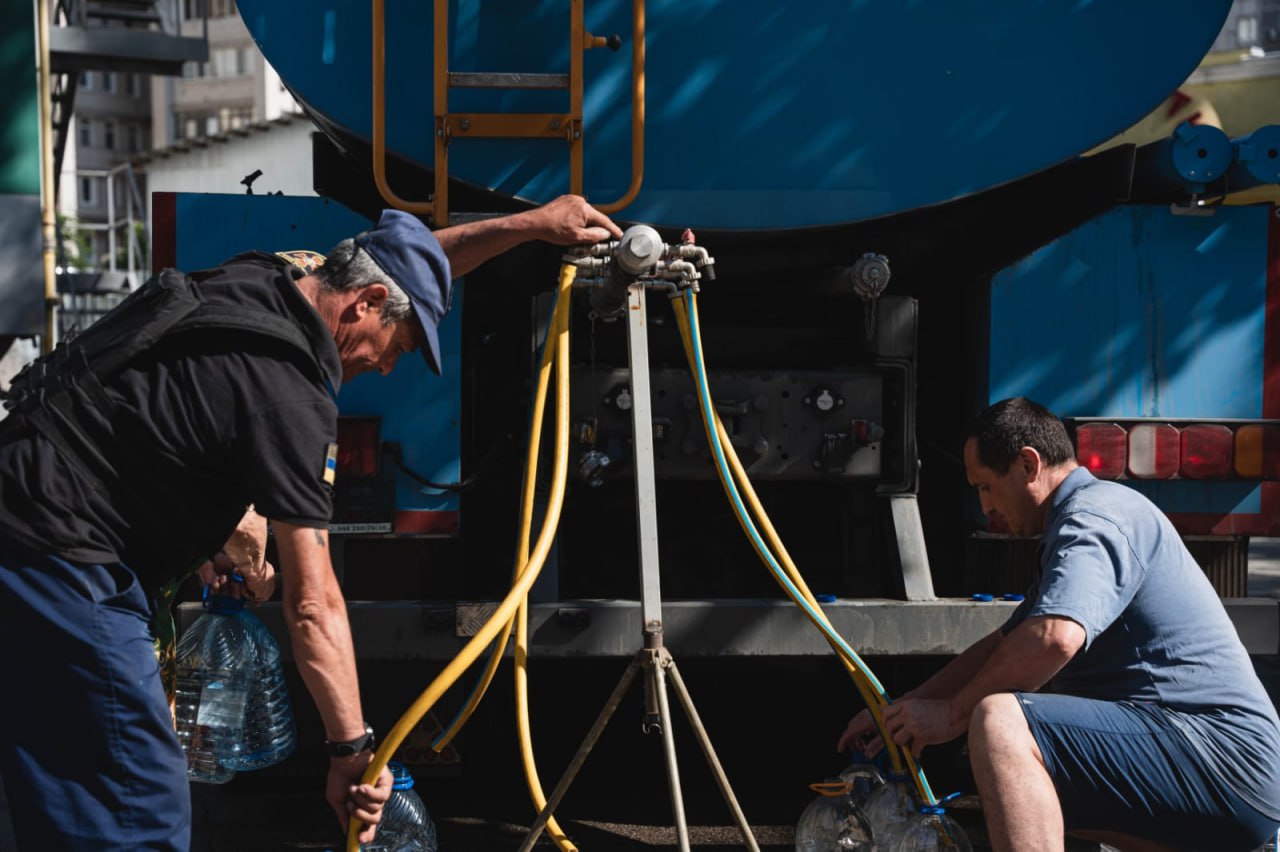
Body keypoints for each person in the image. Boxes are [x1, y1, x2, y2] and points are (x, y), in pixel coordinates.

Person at [0, 194, 622, 851]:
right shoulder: (294, 394)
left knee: (78, 796)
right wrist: (352, 749)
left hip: (36, 513)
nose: (386, 365)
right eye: (398, 346)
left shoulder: (272, 278)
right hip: (61, 555)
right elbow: (313, 603)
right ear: (366, 306)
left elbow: (407, 258)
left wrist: (529, 227)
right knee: (134, 813)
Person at [837, 397, 1280, 852]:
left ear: (1028, 464)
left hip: (1224, 763)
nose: (985, 505)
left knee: (999, 720)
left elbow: (1052, 639)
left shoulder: (1093, 518)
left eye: (986, 487)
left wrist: (952, 713)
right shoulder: (1080, 521)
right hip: (1211, 767)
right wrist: (901, 709)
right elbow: (1006, 645)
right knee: (1023, 770)